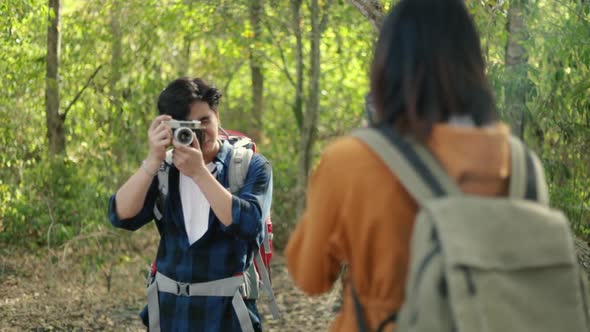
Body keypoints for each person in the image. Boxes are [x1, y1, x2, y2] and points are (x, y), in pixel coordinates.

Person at [285, 0, 512, 331]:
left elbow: (310, 276)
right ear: (472, 63)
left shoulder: (351, 161)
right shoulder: (514, 161)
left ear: (386, 66)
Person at [108, 77, 272, 331]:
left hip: (228, 314)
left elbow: (250, 225)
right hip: (171, 313)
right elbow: (121, 215)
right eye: (188, 125)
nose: (199, 131)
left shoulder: (249, 165)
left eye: (205, 121)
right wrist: (153, 159)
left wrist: (199, 173)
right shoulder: (164, 169)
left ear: (217, 115)